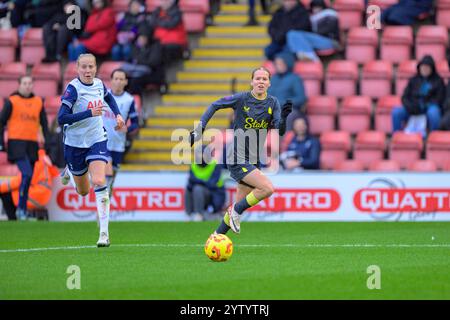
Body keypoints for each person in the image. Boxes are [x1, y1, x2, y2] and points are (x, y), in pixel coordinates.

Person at [190, 67, 292, 235]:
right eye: (257, 78)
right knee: (267, 189)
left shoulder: (273, 103)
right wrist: (200, 128)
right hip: (237, 156)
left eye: (264, 79)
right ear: (252, 82)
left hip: (253, 159)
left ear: (269, 83)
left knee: (236, 210)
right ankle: (235, 212)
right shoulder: (241, 99)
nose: (261, 82)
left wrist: (284, 119)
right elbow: (215, 105)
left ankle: (216, 237)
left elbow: (279, 130)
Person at [58, 53, 125, 247]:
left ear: (96, 68)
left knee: (98, 180)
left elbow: (109, 98)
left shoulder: (98, 84)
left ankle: (104, 234)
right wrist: (89, 113)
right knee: (83, 191)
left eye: (91, 67)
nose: (88, 71)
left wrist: (118, 116)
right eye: (84, 67)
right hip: (75, 143)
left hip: (97, 138)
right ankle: (70, 170)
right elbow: (61, 118)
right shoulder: (73, 90)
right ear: (77, 69)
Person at [0, 76, 50, 220]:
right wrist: (1, 143)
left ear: (33, 85)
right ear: (19, 85)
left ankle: (21, 209)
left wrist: (47, 144)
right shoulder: (12, 101)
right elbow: (1, 122)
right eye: (24, 83)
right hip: (16, 143)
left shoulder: (38, 102)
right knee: (27, 174)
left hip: (32, 144)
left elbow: (45, 124)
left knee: (28, 178)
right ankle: (21, 209)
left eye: (29, 83)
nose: (27, 86)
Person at [102, 69, 139, 197]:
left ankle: (104, 206)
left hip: (118, 144)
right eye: (116, 79)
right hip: (102, 143)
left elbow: (135, 122)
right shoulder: (103, 96)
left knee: (110, 180)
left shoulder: (129, 100)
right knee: (107, 175)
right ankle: (101, 209)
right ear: (111, 81)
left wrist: (127, 129)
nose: (118, 81)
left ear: (126, 82)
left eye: (121, 79)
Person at [392, 55, 446, 136]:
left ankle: (434, 136)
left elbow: (440, 98)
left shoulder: (438, 81)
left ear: (432, 68)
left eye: (427, 67)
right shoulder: (413, 80)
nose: (424, 69)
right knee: (396, 112)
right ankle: (396, 137)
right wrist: (410, 106)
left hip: (428, 108)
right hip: (413, 108)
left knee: (434, 112)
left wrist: (425, 105)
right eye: (423, 67)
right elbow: (405, 97)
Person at [0, 149, 59, 220]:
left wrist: (1, 188)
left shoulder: (34, 161)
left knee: (6, 194)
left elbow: (21, 181)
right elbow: (55, 173)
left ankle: (13, 220)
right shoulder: (44, 159)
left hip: (35, 196)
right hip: (43, 196)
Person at [185, 145, 226, 221]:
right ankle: (189, 215)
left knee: (198, 188)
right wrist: (203, 182)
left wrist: (198, 181)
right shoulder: (193, 165)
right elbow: (190, 181)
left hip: (213, 194)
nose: (200, 156)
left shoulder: (215, 165)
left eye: (202, 154)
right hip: (199, 192)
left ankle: (199, 215)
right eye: (199, 154)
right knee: (188, 189)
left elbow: (212, 183)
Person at [268, 52, 307, 131]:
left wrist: (283, 103)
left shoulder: (295, 79)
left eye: (281, 63)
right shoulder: (272, 78)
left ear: (287, 63)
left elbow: (301, 98)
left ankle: (283, 142)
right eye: (277, 63)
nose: (278, 66)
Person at [120, 27, 164, 95]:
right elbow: (131, 59)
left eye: (143, 38)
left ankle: (137, 100)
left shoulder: (156, 46)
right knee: (121, 77)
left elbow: (153, 62)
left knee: (135, 81)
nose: (141, 40)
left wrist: (138, 61)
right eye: (140, 38)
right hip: (137, 70)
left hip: (152, 73)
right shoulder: (136, 46)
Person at [143, 0, 188, 64]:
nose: (164, 3)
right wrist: (162, 22)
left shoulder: (177, 12)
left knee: (162, 51)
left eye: (166, 1)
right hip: (159, 41)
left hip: (174, 42)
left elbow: (171, 24)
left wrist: (158, 22)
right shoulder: (157, 11)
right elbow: (152, 23)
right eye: (163, 1)